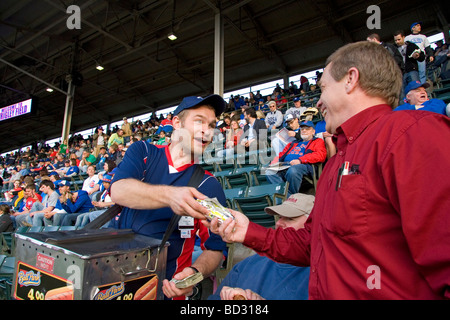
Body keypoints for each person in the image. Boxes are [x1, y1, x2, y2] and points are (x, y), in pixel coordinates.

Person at [209, 41, 450, 299]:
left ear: (351, 79)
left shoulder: (412, 134)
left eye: (323, 88)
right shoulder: (337, 160)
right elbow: (311, 246)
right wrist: (248, 230)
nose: (319, 100)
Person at [109, 94, 228, 300]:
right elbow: (119, 191)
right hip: (115, 281)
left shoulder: (209, 185)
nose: (207, 131)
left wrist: (194, 274)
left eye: (212, 125)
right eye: (199, 121)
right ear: (176, 123)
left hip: (165, 291)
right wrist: (172, 195)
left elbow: (216, 248)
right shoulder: (144, 151)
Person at [209, 193, 312, 300]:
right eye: (280, 217)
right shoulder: (247, 264)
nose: (279, 223)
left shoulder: (321, 275)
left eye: (290, 219)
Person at [266, 121, 327, 196]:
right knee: (269, 172)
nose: (304, 130)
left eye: (307, 129)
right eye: (302, 129)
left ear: (313, 131)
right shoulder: (294, 143)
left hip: (304, 165)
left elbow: (320, 155)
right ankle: (286, 195)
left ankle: (289, 196)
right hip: (285, 165)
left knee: (293, 170)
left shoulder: (317, 141)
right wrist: (275, 162)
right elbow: (281, 154)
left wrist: (300, 160)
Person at [393, 30, 425, 99]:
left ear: (403, 37)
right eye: (395, 40)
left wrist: (418, 55)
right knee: (402, 94)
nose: (397, 42)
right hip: (400, 73)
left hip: (412, 70)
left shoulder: (411, 45)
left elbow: (422, 57)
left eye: (399, 39)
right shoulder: (393, 49)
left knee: (416, 89)